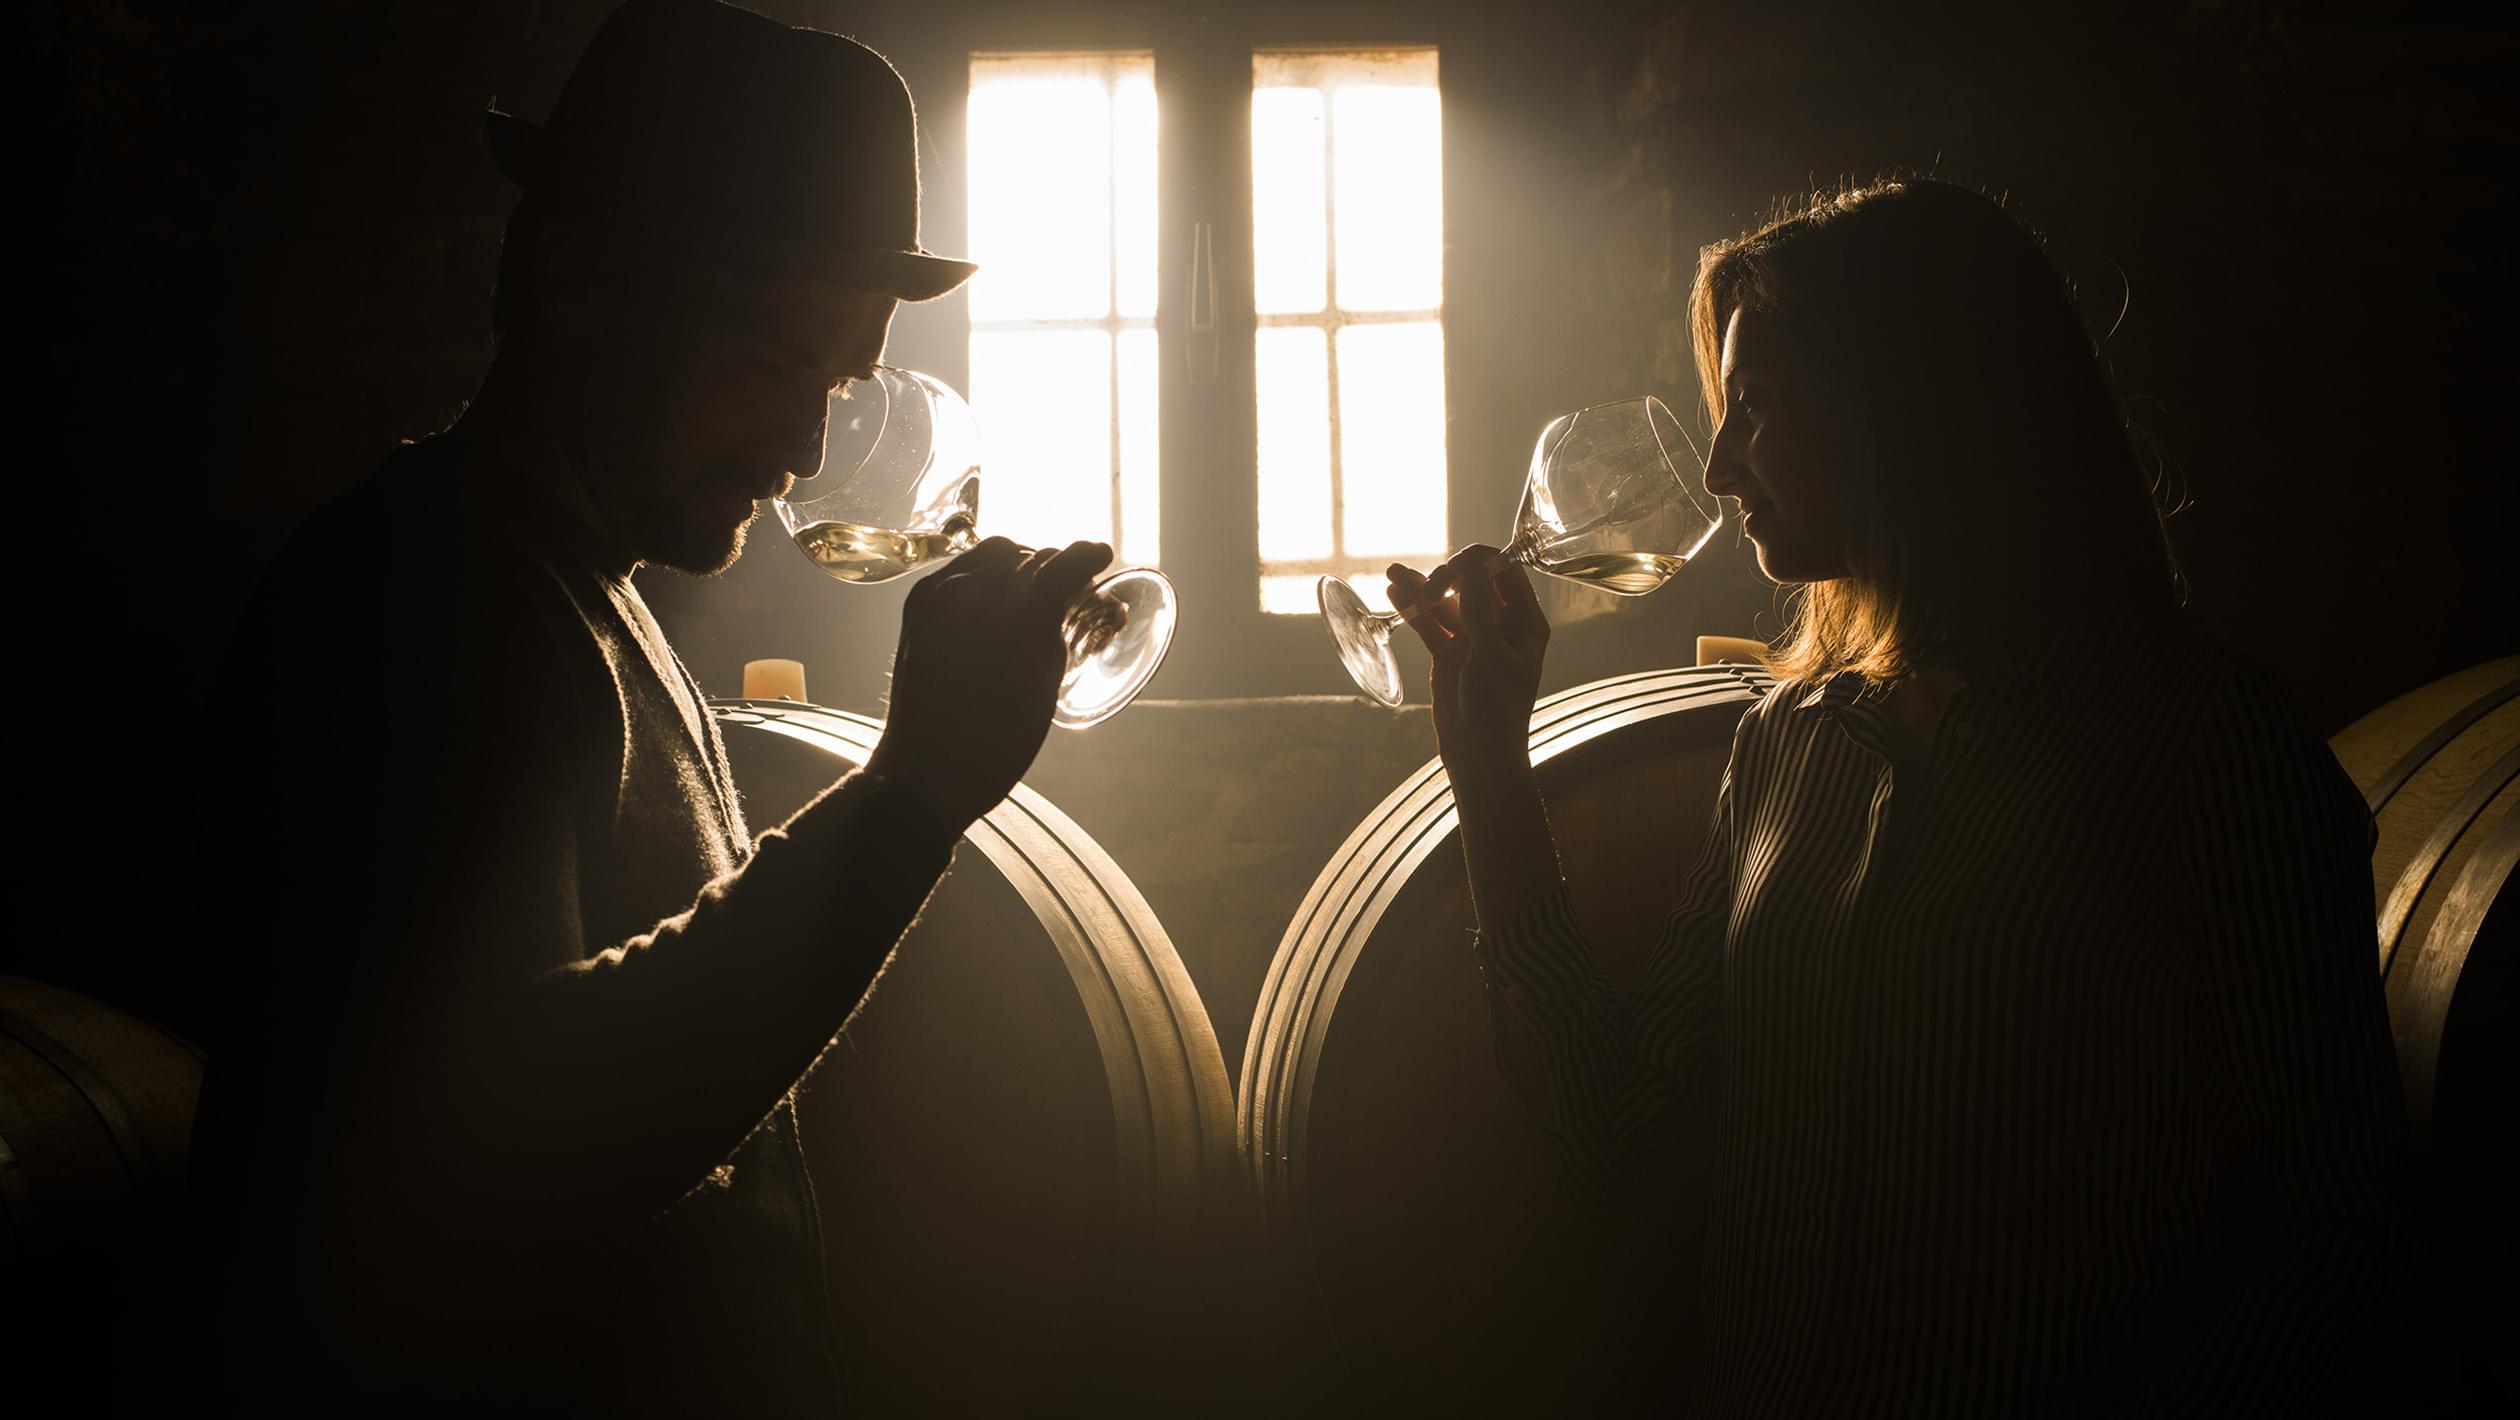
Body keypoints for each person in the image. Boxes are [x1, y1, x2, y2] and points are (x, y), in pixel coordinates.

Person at [186, 2, 1107, 1411]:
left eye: (843, 378)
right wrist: (910, 797)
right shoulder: (424, 595)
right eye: (771, 358)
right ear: (577, 279)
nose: (805, 446)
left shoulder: (580, 588)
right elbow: (494, 1151)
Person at [1390, 179, 2407, 1413]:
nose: (1716, 467)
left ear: (1909, 414)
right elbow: (1619, 1131)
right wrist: (1491, 776)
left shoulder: (2208, 749)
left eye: (1755, 409)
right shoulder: (1787, 747)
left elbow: (2340, 1246)